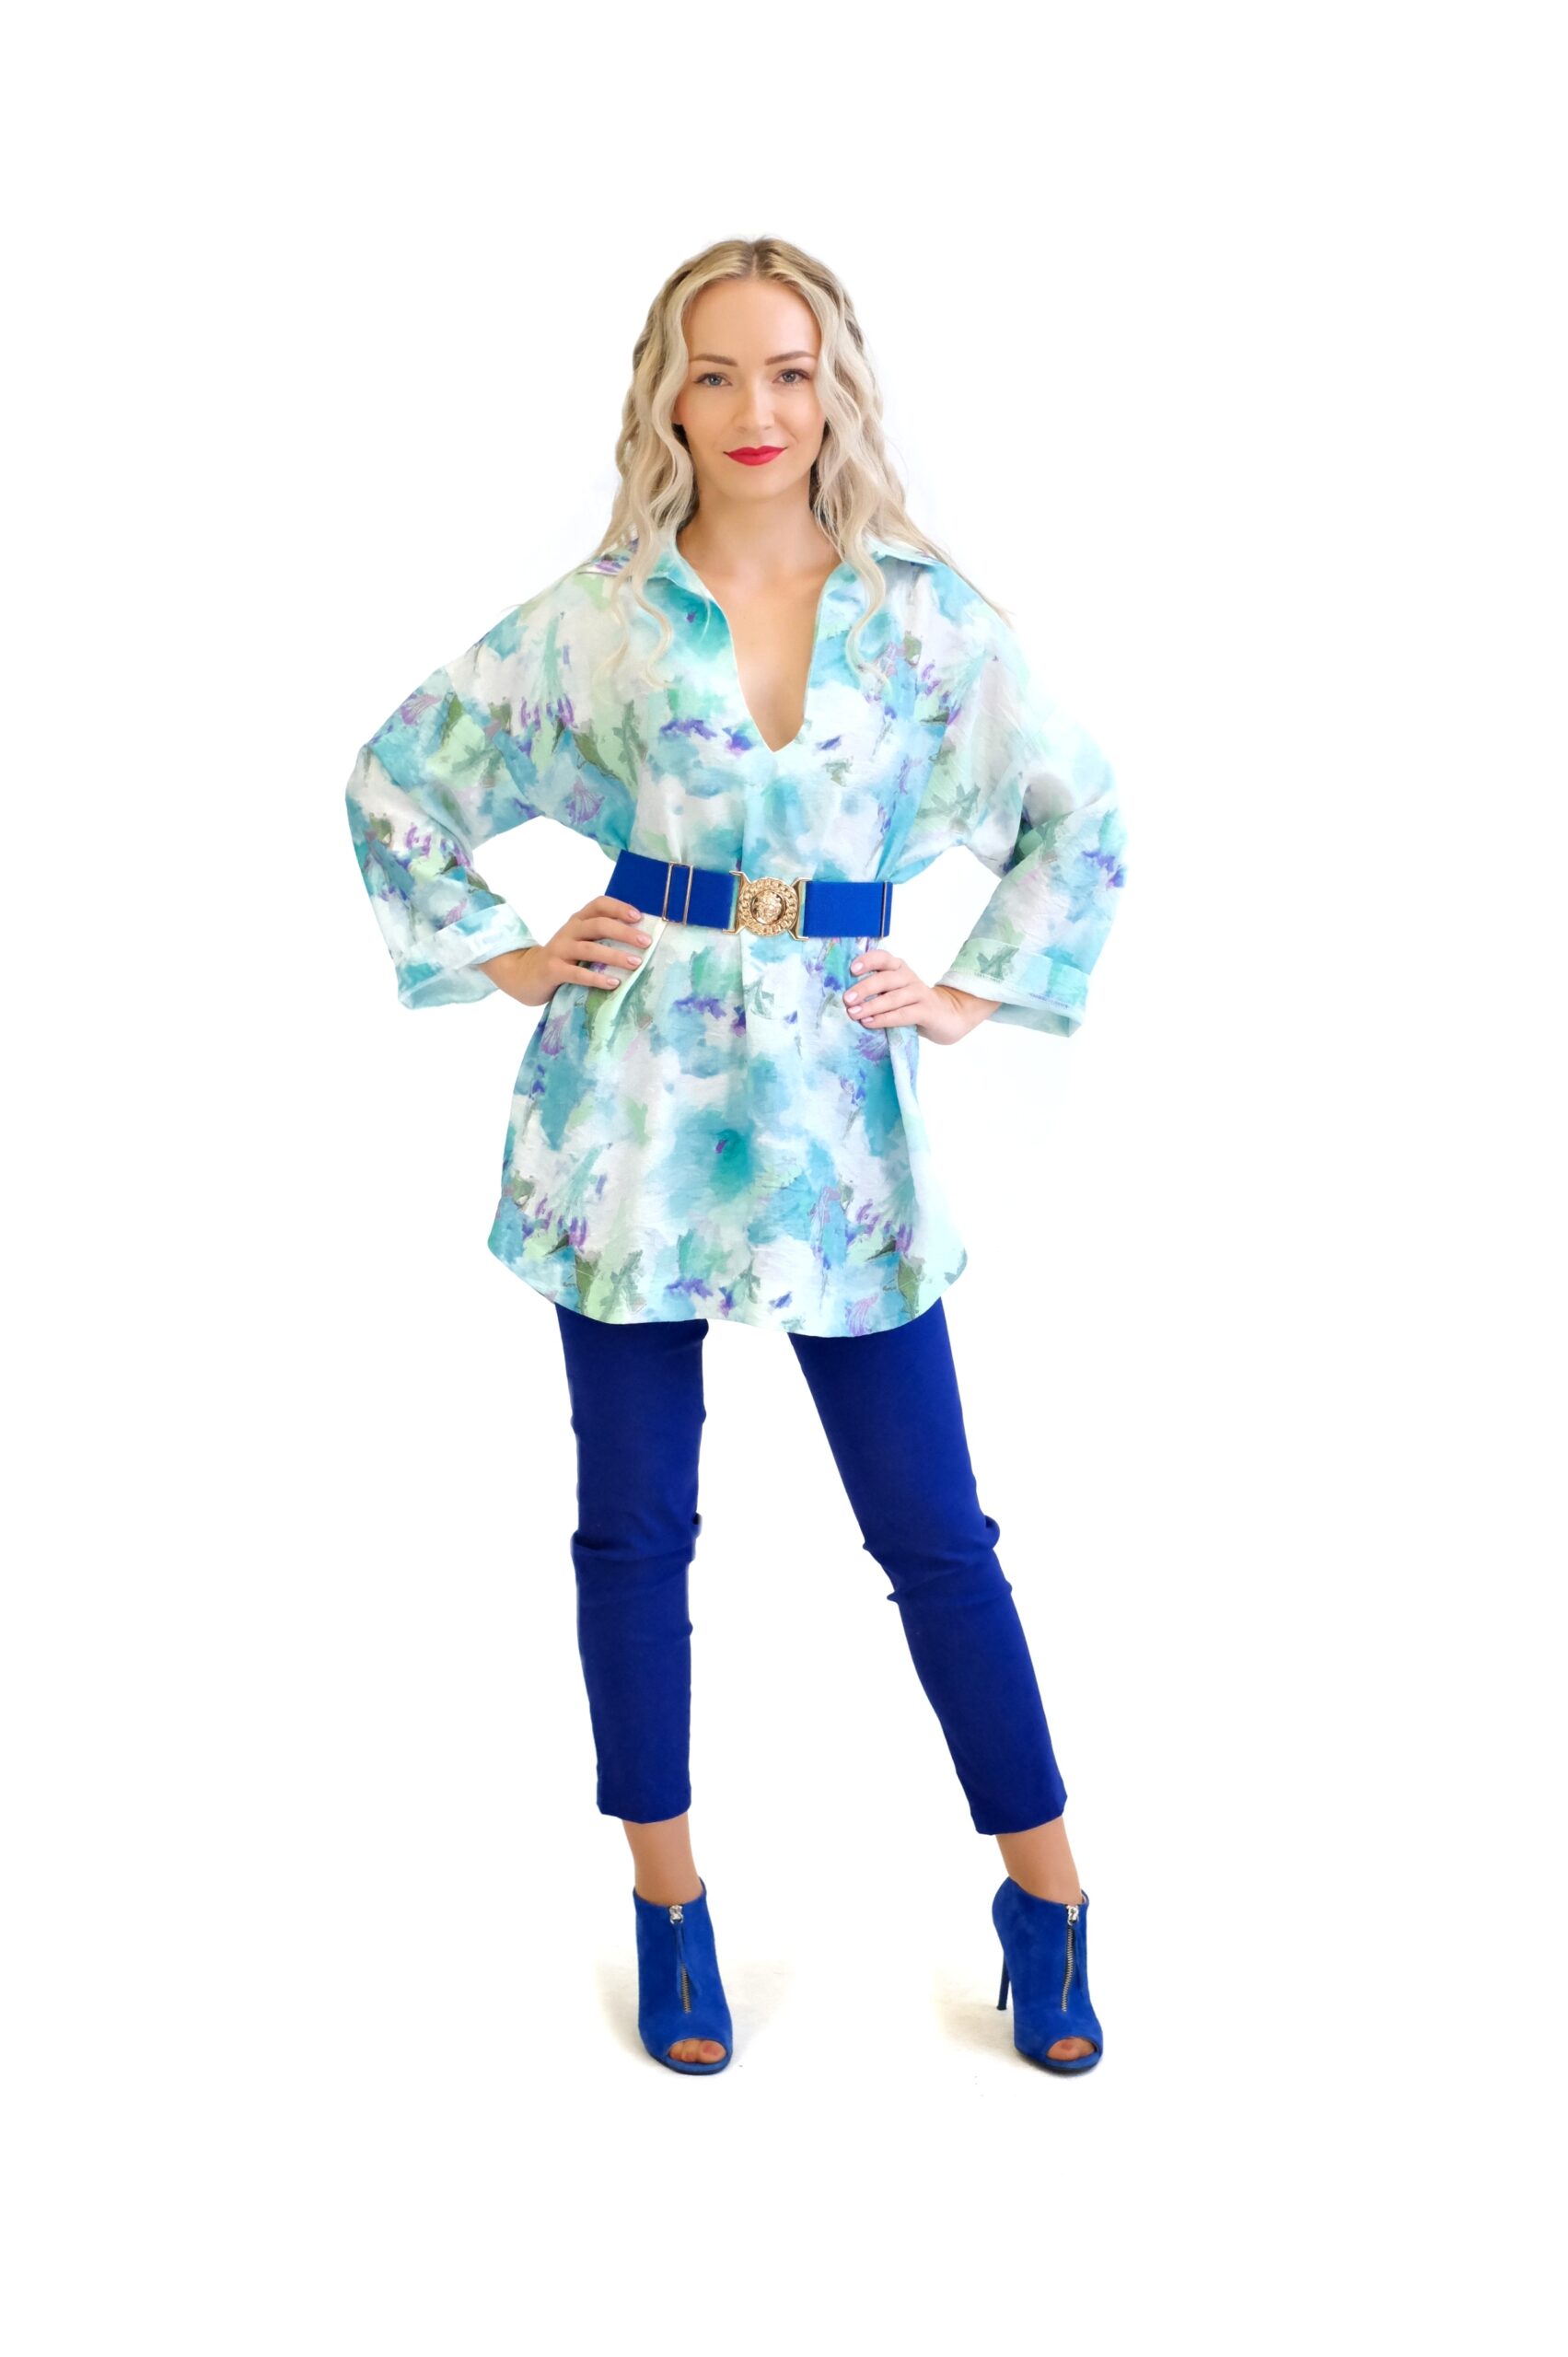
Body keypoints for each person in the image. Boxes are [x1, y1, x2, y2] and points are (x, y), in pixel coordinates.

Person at [343, 236, 1127, 2077]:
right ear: (666, 398)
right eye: (716, 373)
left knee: (935, 1530)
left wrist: (969, 992)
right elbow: (398, 776)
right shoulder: (602, 618)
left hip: (840, 1123)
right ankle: (669, 1905)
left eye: (788, 370)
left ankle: (1048, 1897)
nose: (756, 408)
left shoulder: (922, 621)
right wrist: (510, 954)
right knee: (634, 1526)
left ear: (834, 389)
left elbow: (1076, 808)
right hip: (628, 1112)